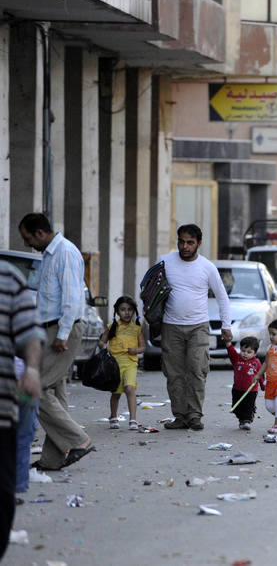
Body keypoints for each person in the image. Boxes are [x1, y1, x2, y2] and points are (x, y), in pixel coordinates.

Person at [18, 213, 95, 470]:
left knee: (35, 388)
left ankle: (79, 440)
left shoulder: (65, 252)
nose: (28, 244)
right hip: (49, 330)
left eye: (28, 238)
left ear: (40, 233)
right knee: (55, 393)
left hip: (62, 331)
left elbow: (72, 297)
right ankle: (53, 459)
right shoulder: (50, 255)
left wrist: (62, 334)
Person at [158, 224, 232, 431]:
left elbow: (222, 297)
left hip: (198, 326)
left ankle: (194, 415)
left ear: (199, 243)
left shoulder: (207, 267)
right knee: (174, 374)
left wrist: (226, 325)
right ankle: (180, 416)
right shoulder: (164, 262)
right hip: (171, 326)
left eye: (190, 242)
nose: (185, 246)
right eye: (181, 242)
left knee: (197, 370)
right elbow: (150, 291)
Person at [1, 261, 43, 560]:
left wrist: (32, 369)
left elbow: (30, 333)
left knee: (2, 496)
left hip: (2, 409)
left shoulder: (8, 278)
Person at [99, 296, 145, 431]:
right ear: (117, 312)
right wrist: (104, 347)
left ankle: (133, 419)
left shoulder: (136, 329)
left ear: (134, 311)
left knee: (130, 388)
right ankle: (113, 416)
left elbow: (143, 347)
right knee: (116, 392)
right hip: (115, 365)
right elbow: (102, 342)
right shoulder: (112, 327)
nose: (127, 313)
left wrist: (135, 350)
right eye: (123, 309)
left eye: (130, 309)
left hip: (131, 363)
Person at [228, 336, 262, 430]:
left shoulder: (256, 363)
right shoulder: (237, 359)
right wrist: (228, 343)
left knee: (248, 406)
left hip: (251, 390)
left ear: (255, 353)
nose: (245, 354)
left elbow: (260, 375)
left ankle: (247, 421)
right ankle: (241, 419)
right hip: (237, 389)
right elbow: (231, 352)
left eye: (249, 352)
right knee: (236, 407)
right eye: (243, 351)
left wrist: (263, 385)